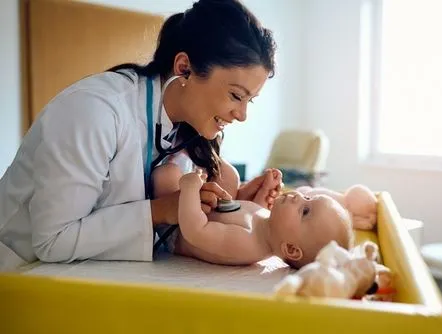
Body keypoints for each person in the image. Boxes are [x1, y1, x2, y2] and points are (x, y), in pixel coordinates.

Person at [0, 0, 278, 270]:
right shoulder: (95, 111)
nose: (242, 115)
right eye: (236, 96)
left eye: (249, 100)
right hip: (16, 268)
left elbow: (149, 227)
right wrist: (161, 210)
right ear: (184, 68)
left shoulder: (185, 129)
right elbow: (53, 240)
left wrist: (239, 209)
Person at [165, 170, 354, 268]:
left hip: (174, 229)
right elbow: (249, 210)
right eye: (308, 197)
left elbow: (195, 231)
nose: (298, 196)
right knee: (228, 174)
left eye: (305, 211)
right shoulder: (266, 224)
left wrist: (189, 187)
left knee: (167, 174)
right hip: (199, 208)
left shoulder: (246, 243)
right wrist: (264, 190)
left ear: (290, 249)